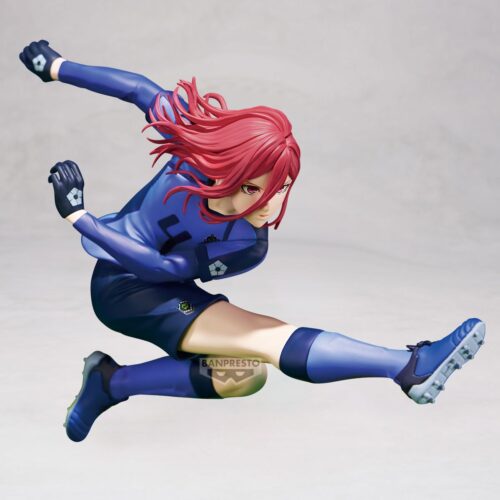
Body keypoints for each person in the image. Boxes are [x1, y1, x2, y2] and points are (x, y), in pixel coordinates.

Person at [20, 40, 486, 443]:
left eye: (282, 187)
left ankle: (110, 383)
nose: (269, 204)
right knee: (265, 337)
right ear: (227, 171)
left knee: (241, 375)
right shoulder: (197, 150)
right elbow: (138, 89)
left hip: (164, 285)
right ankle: (405, 365)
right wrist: (58, 67)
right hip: (121, 289)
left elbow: (171, 272)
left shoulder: (247, 244)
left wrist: (81, 218)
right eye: (252, 188)